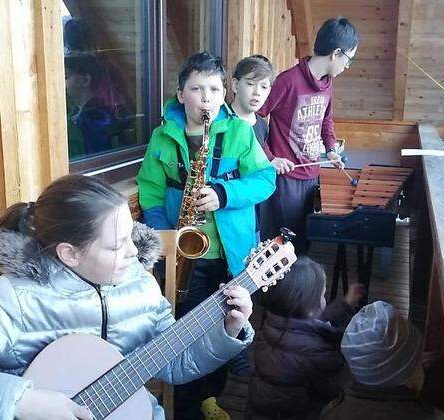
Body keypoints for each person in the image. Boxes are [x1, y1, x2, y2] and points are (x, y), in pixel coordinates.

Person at [0, 174, 255, 420]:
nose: (133, 251)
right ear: (69, 254)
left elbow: (171, 365)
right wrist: (20, 400)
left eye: (132, 235)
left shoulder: (140, 285)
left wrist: (225, 330)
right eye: (116, 245)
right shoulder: (16, 300)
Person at [137, 51, 276, 420]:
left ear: (224, 91)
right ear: (181, 95)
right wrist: (163, 234)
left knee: (223, 326)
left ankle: (211, 397)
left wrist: (225, 195)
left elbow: (265, 180)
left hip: (230, 256)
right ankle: (185, 401)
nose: (206, 97)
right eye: (196, 88)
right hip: (183, 254)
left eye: (214, 88)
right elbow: (150, 188)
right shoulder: (162, 137)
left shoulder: (240, 132)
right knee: (183, 328)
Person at [258, 17, 359, 253]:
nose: (347, 66)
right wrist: (269, 157)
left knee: (303, 244)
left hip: (312, 175)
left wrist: (331, 148)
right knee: (281, 246)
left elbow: (326, 119)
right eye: (348, 60)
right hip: (287, 180)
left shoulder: (327, 83)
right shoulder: (287, 81)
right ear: (336, 53)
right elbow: (253, 119)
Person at [246, 257, 363, 420]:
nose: (324, 300)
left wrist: (344, 304)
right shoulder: (315, 353)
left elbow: (310, 325)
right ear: (307, 308)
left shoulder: (272, 327)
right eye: (322, 295)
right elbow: (334, 390)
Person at [319, 301, 444, 420]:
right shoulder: (433, 417)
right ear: (408, 380)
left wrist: (407, 364)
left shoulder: (332, 412)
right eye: (418, 361)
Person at [229, 54, 277, 240]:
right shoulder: (221, 121)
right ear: (235, 85)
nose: (257, 92)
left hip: (253, 214)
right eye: (250, 84)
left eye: (264, 87)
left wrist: (271, 164)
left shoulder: (262, 125)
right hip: (228, 211)